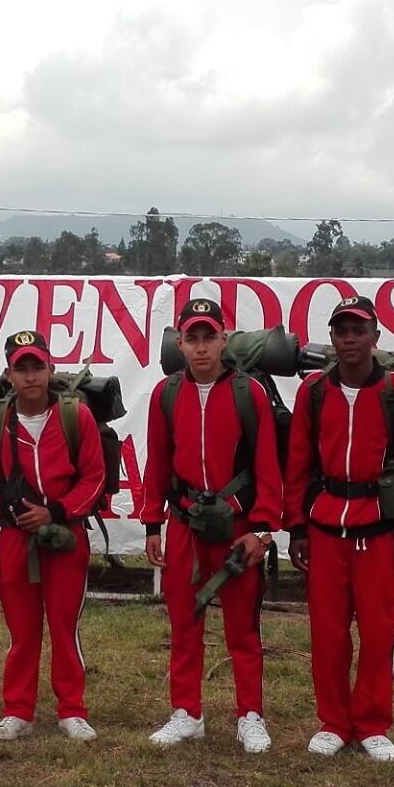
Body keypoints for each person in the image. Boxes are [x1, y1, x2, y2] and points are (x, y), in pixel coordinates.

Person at [284, 293, 394, 762]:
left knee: (378, 632)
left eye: (358, 330)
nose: (350, 340)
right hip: (327, 527)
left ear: (376, 336)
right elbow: (299, 464)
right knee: (327, 634)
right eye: (341, 331)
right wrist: (297, 528)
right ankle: (333, 722)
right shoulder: (312, 391)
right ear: (332, 338)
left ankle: (372, 723)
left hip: (379, 531)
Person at [138, 296, 283, 753]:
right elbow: (157, 463)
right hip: (184, 525)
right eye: (191, 338)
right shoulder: (166, 395)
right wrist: (151, 524)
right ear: (179, 344)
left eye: (209, 337)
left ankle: (250, 715)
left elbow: (267, 466)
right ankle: (186, 713)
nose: (201, 348)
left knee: (243, 628)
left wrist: (263, 529)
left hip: (237, 526)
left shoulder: (249, 393)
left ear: (224, 339)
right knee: (184, 623)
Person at [0, 330, 106, 742]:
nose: (30, 376)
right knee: (21, 631)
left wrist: (57, 511)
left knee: (65, 627)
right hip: (14, 541)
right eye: (20, 368)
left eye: (37, 367)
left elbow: (95, 478)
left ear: (50, 369)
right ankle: (18, 710)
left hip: (66, 537)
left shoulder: (75, 416)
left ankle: (72, 710)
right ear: (9, 374)